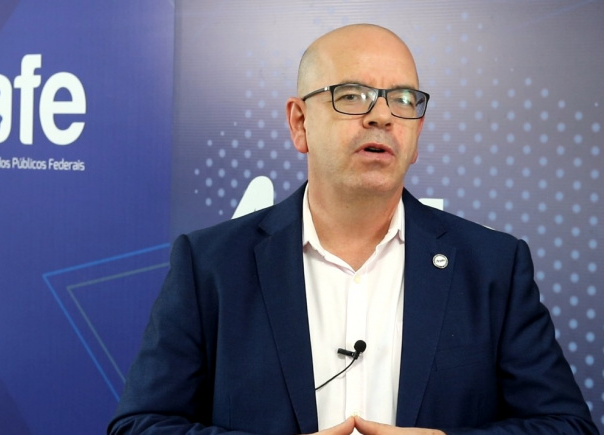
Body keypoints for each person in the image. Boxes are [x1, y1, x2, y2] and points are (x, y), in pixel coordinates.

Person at [108, 24, 596, 434]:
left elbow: (567, 426)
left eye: (403, 99)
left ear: (417, 135)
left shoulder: (493, 267)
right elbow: (140, 425)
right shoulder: (210, 265)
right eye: (352, 96)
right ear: (299, 123)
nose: (382, 115)